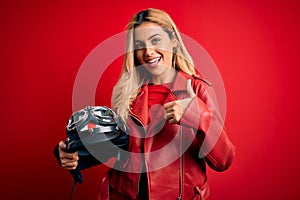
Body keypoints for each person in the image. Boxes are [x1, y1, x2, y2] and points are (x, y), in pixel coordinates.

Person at [56, 8, 236, 200]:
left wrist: (197, 115)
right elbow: (117, 150)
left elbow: (224, 160)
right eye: (139, 45)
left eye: (155, 40)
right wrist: (73, 153)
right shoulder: (126, 92)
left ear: (173, 40)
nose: (148, 52)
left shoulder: (197, 90)